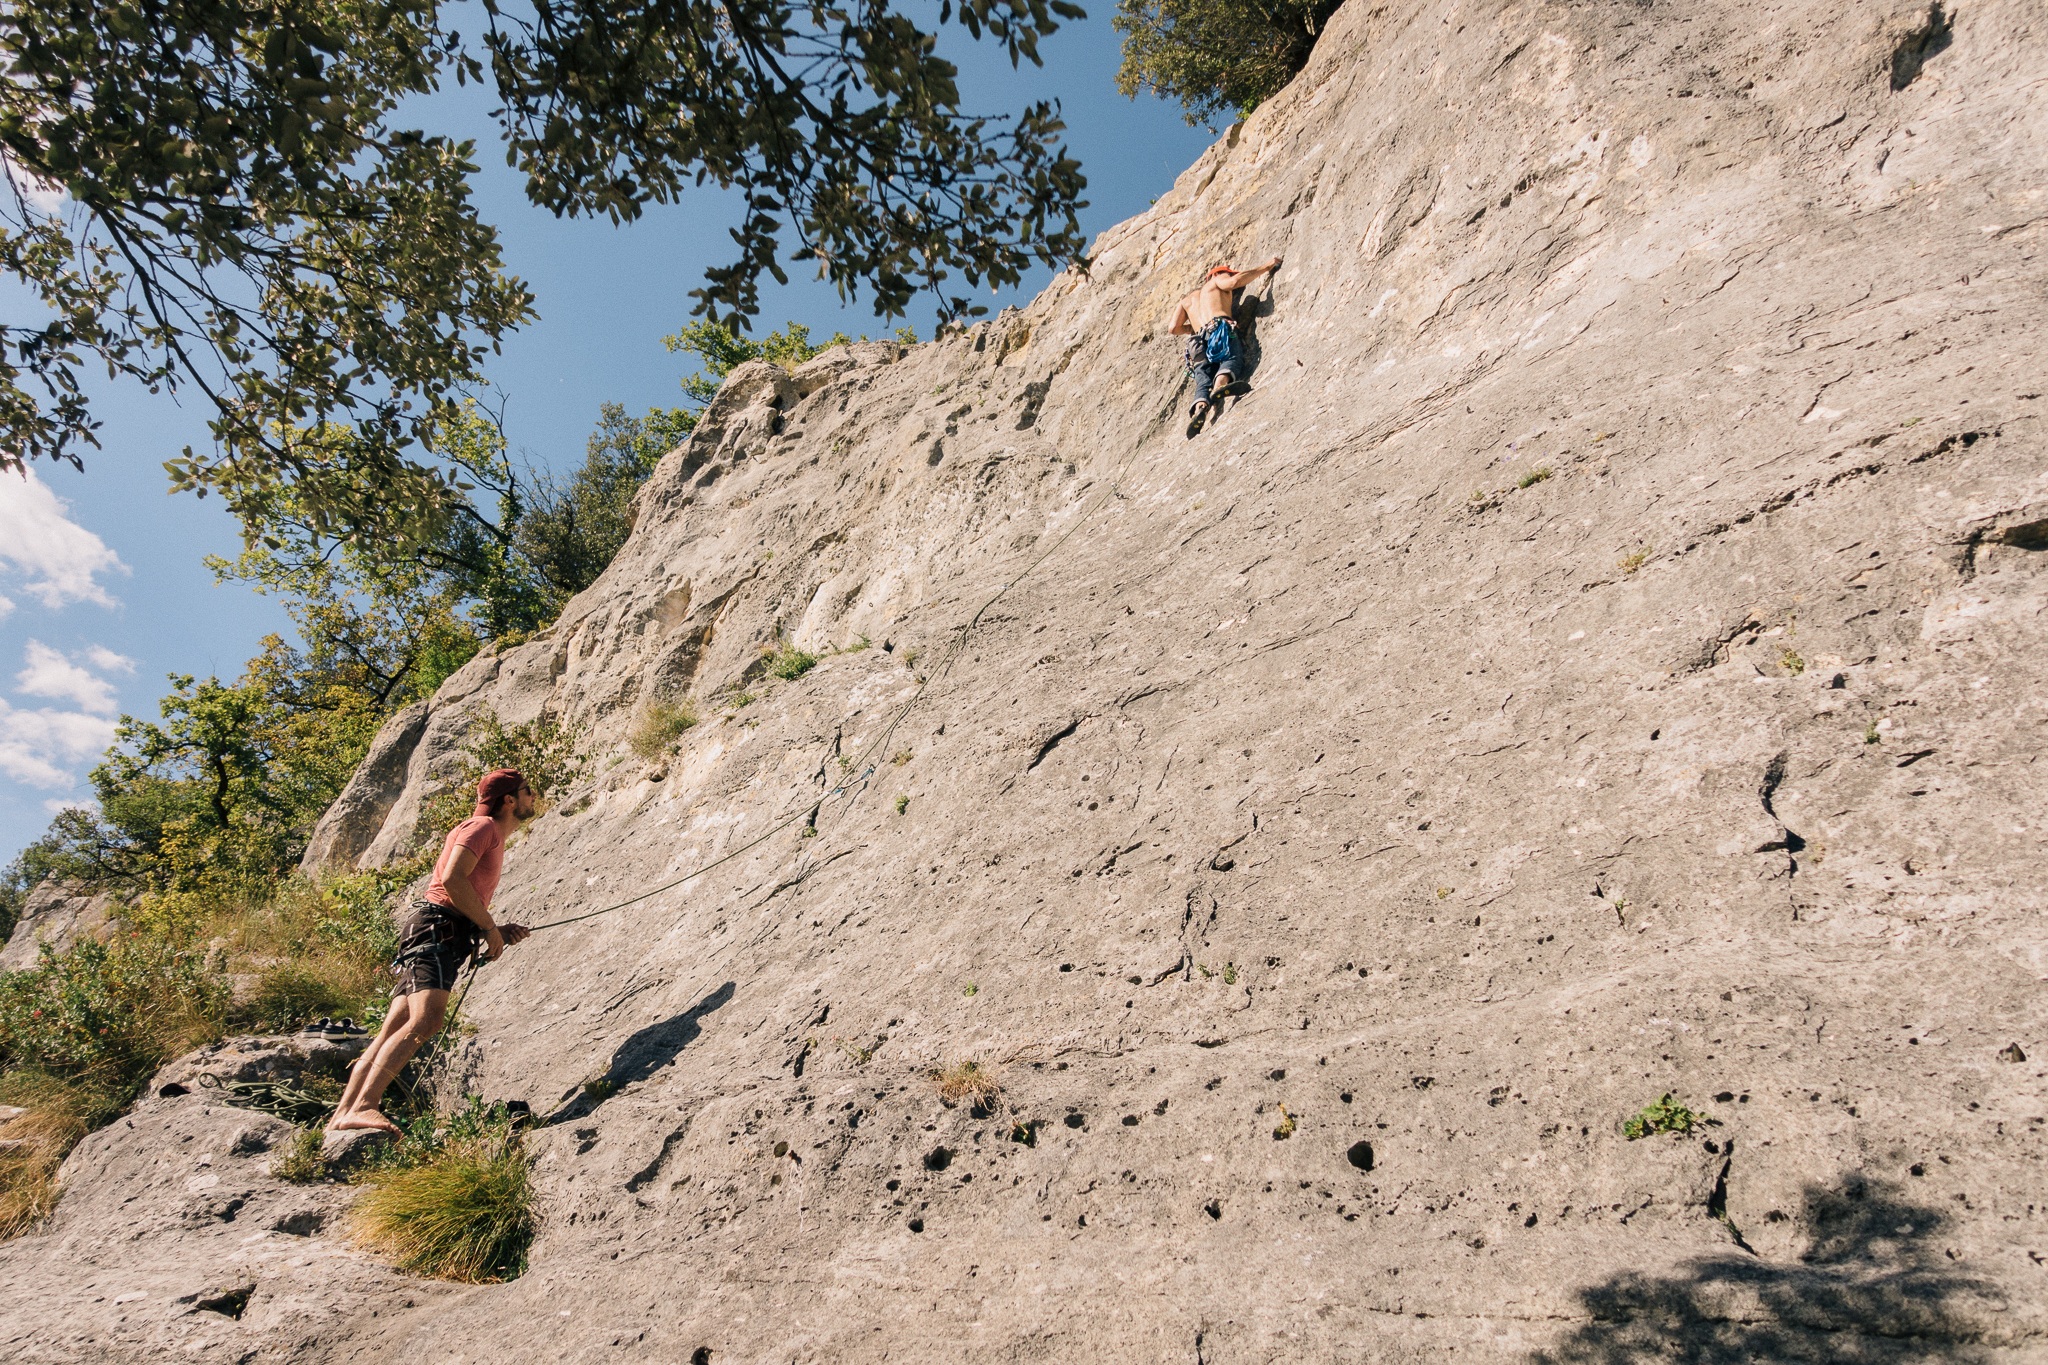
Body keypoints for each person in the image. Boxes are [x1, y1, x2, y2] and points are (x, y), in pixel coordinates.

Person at [327, 768, 535, 1136]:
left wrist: (491, 928)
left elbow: (456, 890)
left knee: (393, 1029)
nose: (533, 795)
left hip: (433, 929)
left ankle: (342, 1115)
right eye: (527, 790)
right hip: (437, 931)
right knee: (427, 1020)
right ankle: (364, 1106)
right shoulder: (483, 827)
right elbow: (452, 880)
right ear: (509, 800)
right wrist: (489, 929)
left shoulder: (483, 830)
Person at [1169, 256, 1282, 436]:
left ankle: (1200, 407)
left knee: (1203, 376)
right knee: (1231, 358)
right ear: (1217, 274)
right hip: (1219, 328)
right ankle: (1220, 387)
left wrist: (1194, 327)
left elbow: (1173, 328)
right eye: (1228, 274)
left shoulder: (1187, 300)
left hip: (1196, 341)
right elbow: (1234, 282)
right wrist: (1266, 267)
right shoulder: (1216, 280)